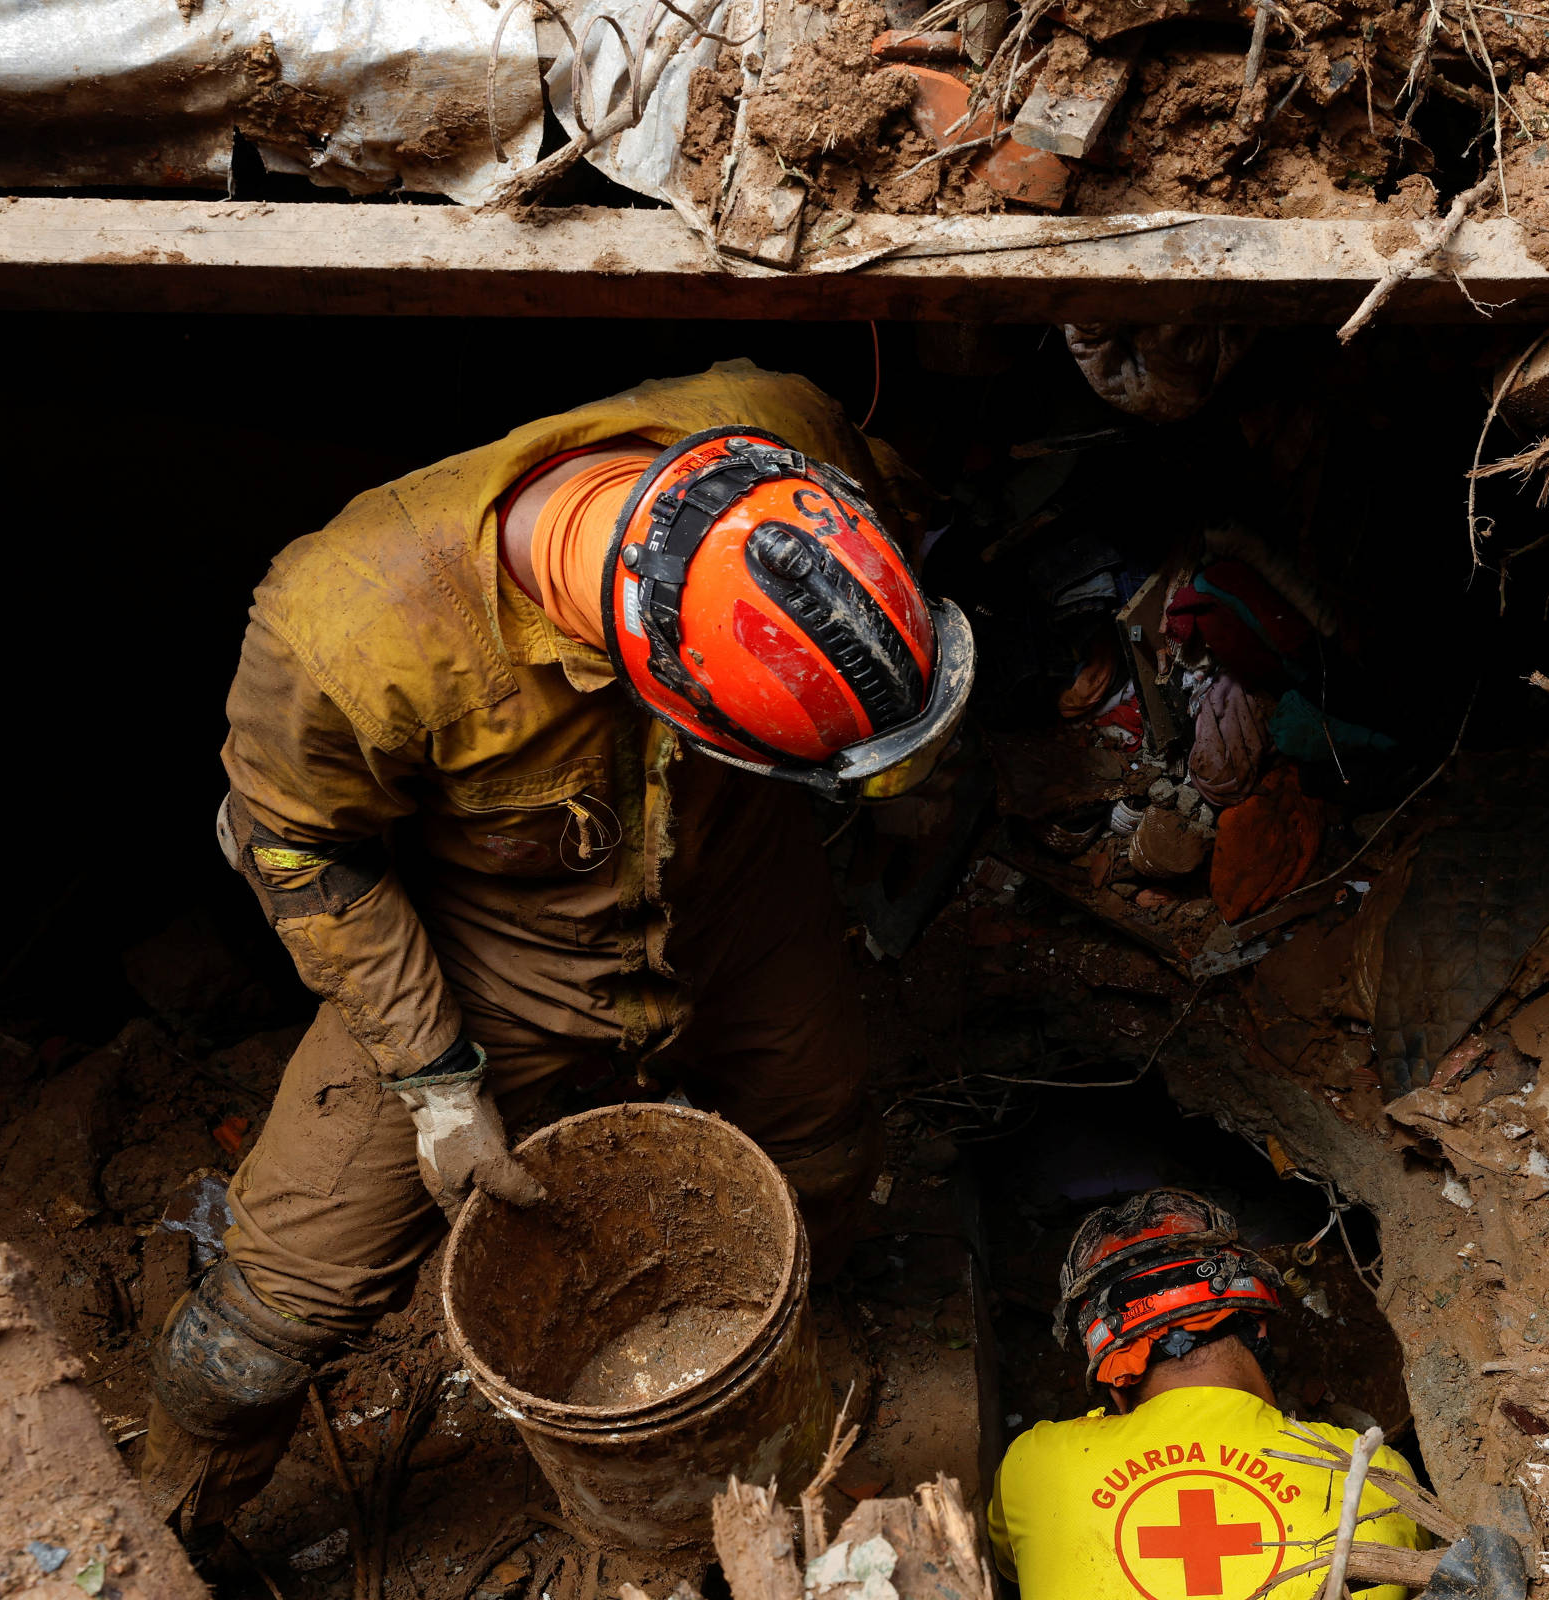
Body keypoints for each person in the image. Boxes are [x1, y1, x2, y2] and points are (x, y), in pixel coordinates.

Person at [141, 361, 974, 1538]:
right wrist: (434, 1078)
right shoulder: (348, 626)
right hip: (493, 965)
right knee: (258, 1332)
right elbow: (301, 853)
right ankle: (164, 1532)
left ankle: (786, 1366)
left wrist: (897, 765)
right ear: (655, 677)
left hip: (743, 902)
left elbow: (893, 531)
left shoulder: (779, 424)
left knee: (827, 1156)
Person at [988, 1189, 1426, 1600]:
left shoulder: (1035, 1463)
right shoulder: (1378, 1475)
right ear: (1258, 1330)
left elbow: (1012, 1565)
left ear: (1114, 1384)